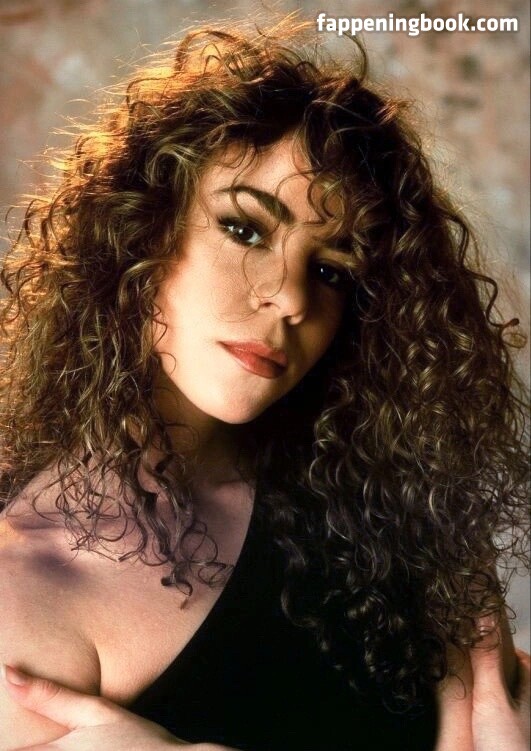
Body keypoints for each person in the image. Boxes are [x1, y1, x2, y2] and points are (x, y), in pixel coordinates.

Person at [0, 19, 529, 751]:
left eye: (331, 269)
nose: (290, 298)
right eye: (245, 230)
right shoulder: (22, 601)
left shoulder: (386, 505)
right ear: (140, 233)